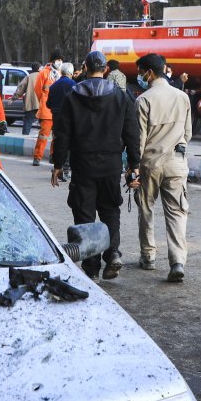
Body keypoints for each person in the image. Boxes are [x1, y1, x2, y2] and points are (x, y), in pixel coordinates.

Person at [51, 51, 141, 281]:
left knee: (84, 214)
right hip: (111, 164)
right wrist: (134, 163)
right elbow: (131, 132)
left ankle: (91, 268)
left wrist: (58, 164)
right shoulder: (121, 97)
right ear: (106, 70)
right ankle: (112, 254)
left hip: (83, 165)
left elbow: (63, 134)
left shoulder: (73, 96)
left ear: (85, 66)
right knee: (111, 209)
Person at [133, 53, 193, 282]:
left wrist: (134, 167)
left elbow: (139, 139)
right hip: (177, 163)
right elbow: (187, 133)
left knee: (146, 209)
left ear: (149, 72)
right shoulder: (182, 97)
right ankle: (177, 261)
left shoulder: (144, 100)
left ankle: (148, 256)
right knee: (177, 211)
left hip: (151, 163)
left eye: (140, 73)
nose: (139, 77)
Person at [31, 51, 61, 166]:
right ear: (53, 61)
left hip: (57, 110)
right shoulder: (44, 72)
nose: (60, 62)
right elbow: (38, 90)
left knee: (56, 136)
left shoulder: (60, 73)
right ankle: (37, 157)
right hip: (46, 110)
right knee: (43, 135)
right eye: (58, 60)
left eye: (61, 60)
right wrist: (43, 101)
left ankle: (53, 156)